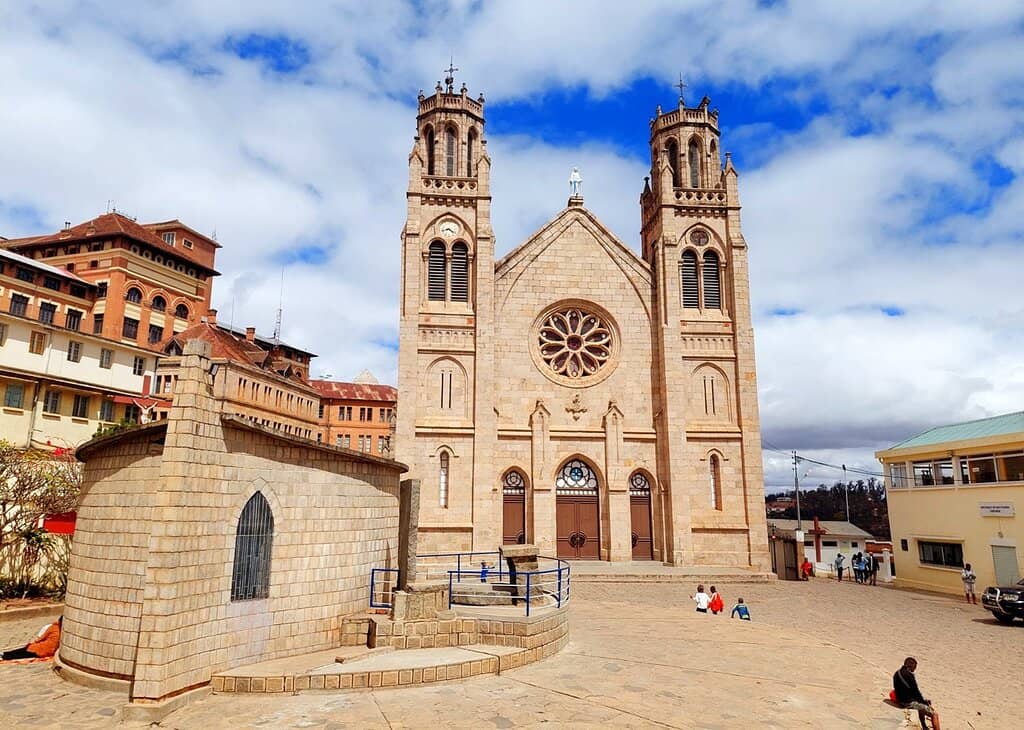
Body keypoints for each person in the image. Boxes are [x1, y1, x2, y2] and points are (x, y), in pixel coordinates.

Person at [892, 657, 941, 729]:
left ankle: (924, 726)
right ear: (911, 666)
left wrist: (922, 701)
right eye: (914, 667)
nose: (914, 670)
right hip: (907, 703)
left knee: (920, 705)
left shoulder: (897, 673)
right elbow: (916, 691)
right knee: (934, 714)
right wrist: (925, 702)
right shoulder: (909, 675)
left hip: (900, 699)